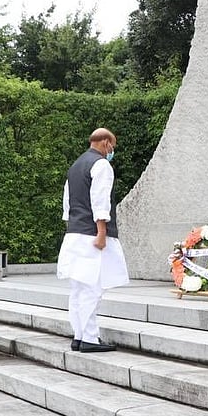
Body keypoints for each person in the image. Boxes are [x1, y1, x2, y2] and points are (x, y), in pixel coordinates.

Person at [57, 127, 129, 353]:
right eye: (112, 146)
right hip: (92, 234)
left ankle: (79, 336)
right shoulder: (101, 165)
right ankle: (89, 338)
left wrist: (72, 230)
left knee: (78, 288)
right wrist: (101, 233)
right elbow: (100, 200)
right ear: (106, 143)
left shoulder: (74, 166)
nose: (112, 151)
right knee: (92, 288)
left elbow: (67, 205)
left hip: (75, 234)